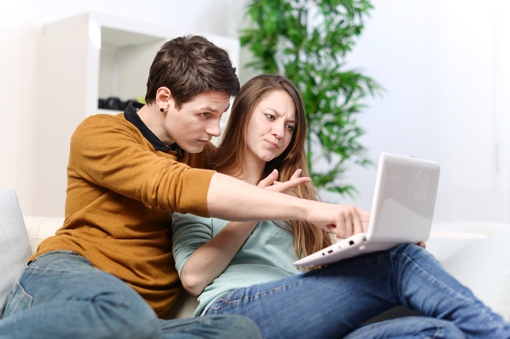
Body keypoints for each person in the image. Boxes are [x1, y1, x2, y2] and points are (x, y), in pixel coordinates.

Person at [171, 74, 510, 338]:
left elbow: (314, 280)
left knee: (439, 333)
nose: (279, 132)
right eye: (270, 117)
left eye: (289, 126)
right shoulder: (202, 184)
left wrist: (376, 243)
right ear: (243, 114)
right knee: (397, 263)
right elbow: (194, 278)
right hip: (236, 312)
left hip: (303, 320)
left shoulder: (300, 199)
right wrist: (258, 206)